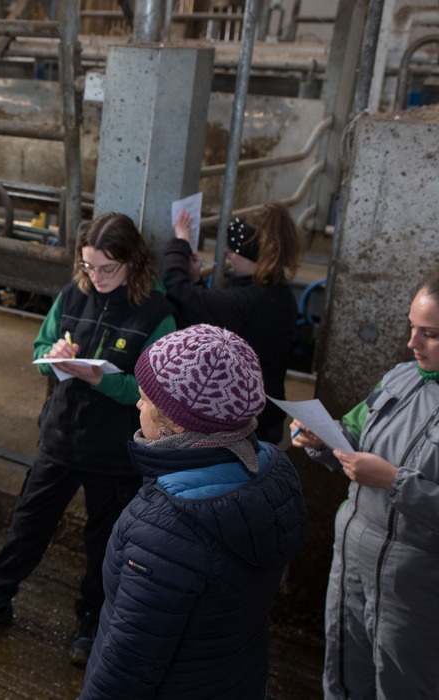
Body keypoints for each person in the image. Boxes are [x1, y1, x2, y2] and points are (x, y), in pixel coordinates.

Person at [0, 212, 177, 667]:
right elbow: (41, 346)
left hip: (113, 451)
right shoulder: (75, 294)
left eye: (107, 269)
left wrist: (104, 382)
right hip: (60, 437)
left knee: (104, 542)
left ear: (133, 262)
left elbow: (157, 390)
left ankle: (91, 620)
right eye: (89, 266)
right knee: (27, 524)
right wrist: (53, 356)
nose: (96, 277)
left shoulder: (157, 313)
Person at [80, 324, 308, 699]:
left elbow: (127, 668)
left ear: (175, 425)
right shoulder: (271, 471)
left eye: (145, 400)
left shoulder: (165, 530)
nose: (138, 405)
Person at [291, 273, 439, 700]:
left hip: (416, 588)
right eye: (411, 327)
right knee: (343, 673)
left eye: (429, 334)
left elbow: (391, 476)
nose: (413, 343)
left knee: (404, 684)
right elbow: (354, 433)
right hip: (352, 562)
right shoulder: (400, 378)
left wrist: (394, 482)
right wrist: (323, 439)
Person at [161, 204, 302, 443]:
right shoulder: (277, 291)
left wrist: (181, 242)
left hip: (249, 428)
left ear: (240, 252)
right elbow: (224, 316)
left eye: (228, 252)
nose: (228, 256)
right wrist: (196, 281)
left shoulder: (251, 299)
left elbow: (177, 289)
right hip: (265, 413)